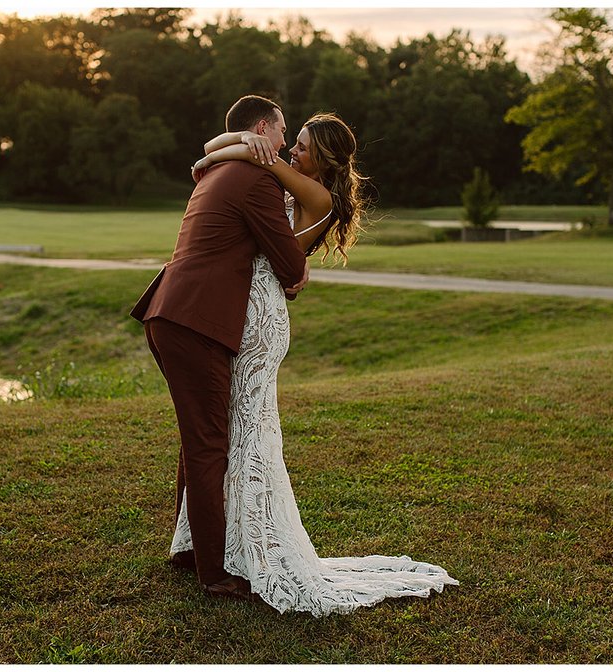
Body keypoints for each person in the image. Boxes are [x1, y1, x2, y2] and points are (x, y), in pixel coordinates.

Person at [173, 112, 459, 616]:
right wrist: (242, 139)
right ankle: (219, 545)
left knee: (243, 433)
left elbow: (218, 159)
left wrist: (245, 146)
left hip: (258, 317)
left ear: (322, 159)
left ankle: (239, 549)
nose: (291, 152)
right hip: (242, 306)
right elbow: (209, 153)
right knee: (227, 432)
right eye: (291, 141)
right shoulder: (289, 179)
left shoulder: (316, 196)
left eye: (302, 147)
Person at [130, 95, 310, 602]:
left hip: (172, 312)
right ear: (261, 127)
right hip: (196, 323)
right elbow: (291, 266)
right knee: (211, 444)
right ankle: (214, 573)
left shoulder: (218, 169)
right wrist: (295, 276)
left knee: (198, 438)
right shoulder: (255, 179)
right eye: (282, 131)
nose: (284, 143)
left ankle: (190, 549)